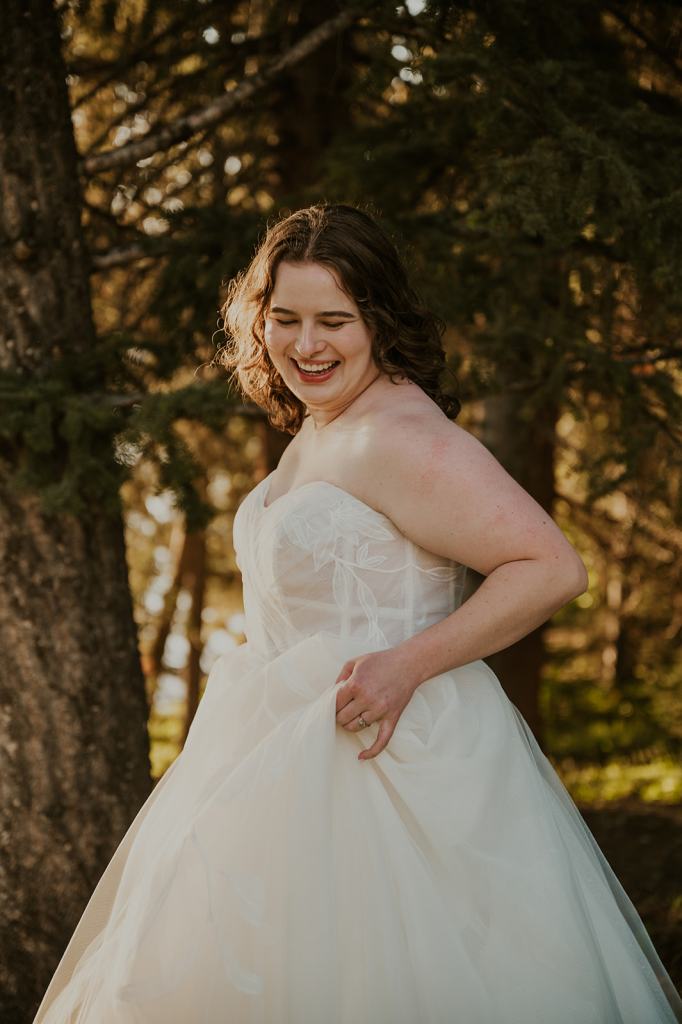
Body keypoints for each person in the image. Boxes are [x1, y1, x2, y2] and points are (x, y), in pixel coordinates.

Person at [33, 203, 682, 1023]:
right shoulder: (319, 425)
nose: (308, 346)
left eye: (334, 321)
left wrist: (408, 663)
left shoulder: (400, 434)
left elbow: (551, 568)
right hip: (275, 759)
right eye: (286, 319)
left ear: (377, 319)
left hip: (387, 764)